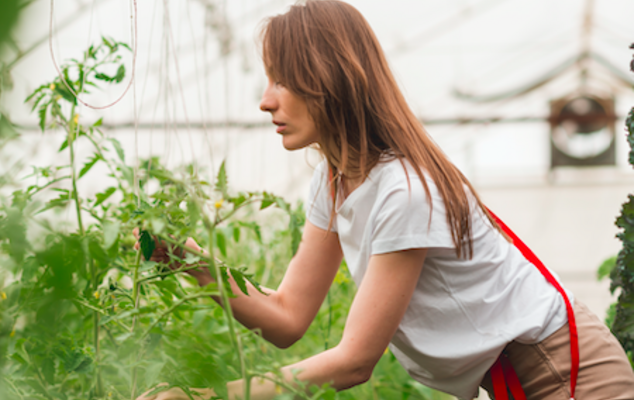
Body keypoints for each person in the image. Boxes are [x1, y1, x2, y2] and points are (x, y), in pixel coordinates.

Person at [136, 1, 634, 399]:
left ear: (329, 78)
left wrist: (206, 396)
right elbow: (287, 315)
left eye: (282, 81)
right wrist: (186, 260)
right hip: (520, 376)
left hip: (567, 373)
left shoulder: (404, 189)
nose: (266, 100)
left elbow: (354, 361)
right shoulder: (333, 181)